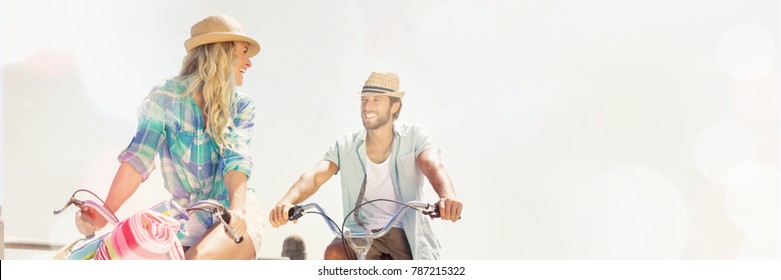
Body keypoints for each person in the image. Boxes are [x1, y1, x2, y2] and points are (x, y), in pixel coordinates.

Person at [74, 14, 264, 260]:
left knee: (194, 262)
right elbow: (138, 159)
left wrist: (238, 209)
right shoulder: (165, 98)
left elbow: (236, 158)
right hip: (186, 217)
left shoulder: (242, 106)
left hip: (233, 213)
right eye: (244, 52)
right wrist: (103, 213)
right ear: (222, 52)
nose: (249, 62)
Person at [269, 72, 463, 260]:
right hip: (359, 234)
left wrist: (447, 197)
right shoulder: (346, 145)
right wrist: (287, 202)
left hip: (406, 233)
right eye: (364, 99)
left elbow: (432, 165)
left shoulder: (415, 137)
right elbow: (314, 177)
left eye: (376, 100)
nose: (367, 106)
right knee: (335, 253)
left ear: (394, 106)